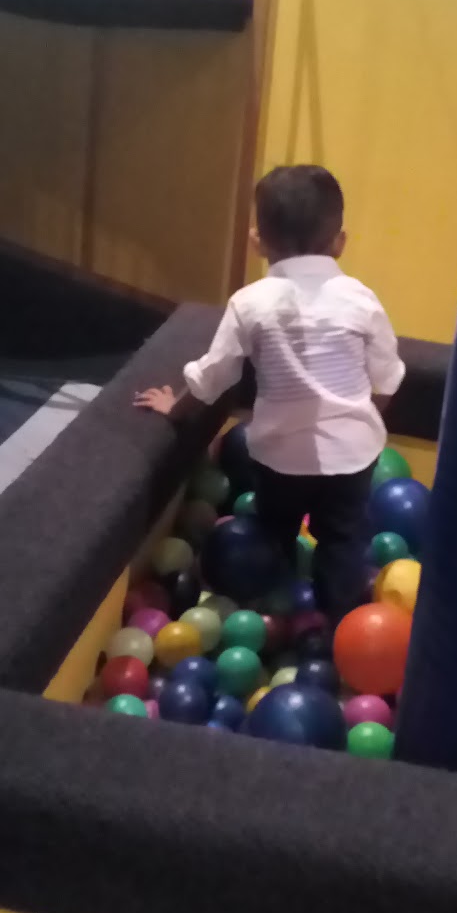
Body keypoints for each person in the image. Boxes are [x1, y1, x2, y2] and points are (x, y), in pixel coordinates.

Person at [134, 165, 405, 626]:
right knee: (343, 541)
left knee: (274, 530)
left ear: (257, 241)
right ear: (340, 242)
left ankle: (269, 611)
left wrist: (173, 408)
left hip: (280, 458)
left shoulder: (250, 303)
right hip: (351, 458)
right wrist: (364, 417)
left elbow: (214, 375)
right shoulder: (361, 299)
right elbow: (389, 377)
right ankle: (340, 627)